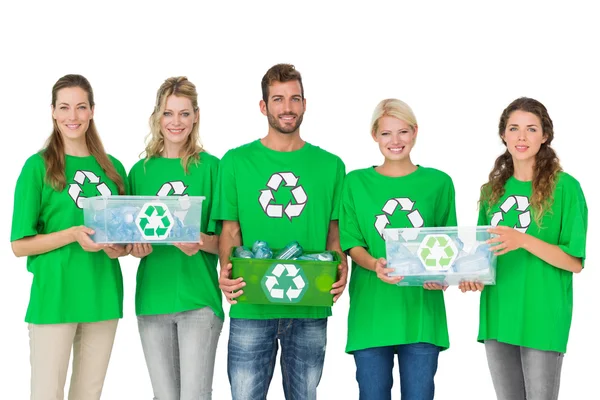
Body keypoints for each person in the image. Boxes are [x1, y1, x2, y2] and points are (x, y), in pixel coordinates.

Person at [214, 63, 348, 400]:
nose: (287, 108)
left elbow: (335, 231)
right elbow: (231, 229)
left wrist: (341, 266)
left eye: (294, 99)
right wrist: (225, 272)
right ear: (263, 106)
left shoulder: (331, 165)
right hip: (251, 300)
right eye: (277, 99)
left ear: (305, 104)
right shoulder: (236, 161)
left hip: (310, 302)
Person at [460, 97, 588, 400]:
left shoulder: (566, 188)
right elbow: (483, 254)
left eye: (531, 129)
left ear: (545, 136)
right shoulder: (491, 192)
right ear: (503, 135)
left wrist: (523, 240)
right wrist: (470, 276)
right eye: (513, 128)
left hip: (541, 315)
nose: (521, 137)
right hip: (498, 312)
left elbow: (574, 262)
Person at [10, 74, 128, 400]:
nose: (72, 116)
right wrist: (73, 234)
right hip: (55, 299)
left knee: (88, 394)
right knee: (47, 394)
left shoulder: (114, 169)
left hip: (102, 297)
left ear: (92, 111)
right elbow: (19, 245)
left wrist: (120, 248)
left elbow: (120, 246)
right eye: (64, 107)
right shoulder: (38, 167)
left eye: (80, 107)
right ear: (52, 111)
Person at [339, 98, 456, 400]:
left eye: (403, 132)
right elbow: (352, 243)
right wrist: (374, 264)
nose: (395, 141)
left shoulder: (439, 183)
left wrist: (443, 274)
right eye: (387, 133)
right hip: (372, 313)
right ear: (374, 135)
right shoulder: (355, 183)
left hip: (420, 314)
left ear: (415, 132)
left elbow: (449, 244)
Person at [128, 76, 223, 400]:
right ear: (157, 116)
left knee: (195, 396)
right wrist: (135, 250)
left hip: (198, 299)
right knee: (164, 397)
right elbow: (129, 237)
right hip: (152, 299)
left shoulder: (212, 168)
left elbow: (226, 240)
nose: (176, 122)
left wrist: (201, 242)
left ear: (196, 116)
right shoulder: (139, 172)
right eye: (169, 113)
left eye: (184, 113)